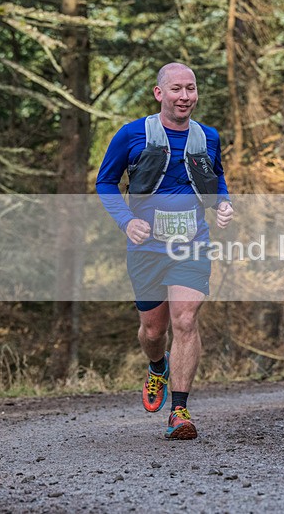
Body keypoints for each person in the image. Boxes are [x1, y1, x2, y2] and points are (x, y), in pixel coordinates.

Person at [96, 62, 234, 439]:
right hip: (147, 247)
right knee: (153, 330)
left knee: (185, 320)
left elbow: (216, 177)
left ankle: (180, 411)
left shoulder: (207, 136)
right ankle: (157, 366)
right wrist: (127, 221)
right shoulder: (132, 134)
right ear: (160, 93)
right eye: (176, 89)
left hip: (192, 242)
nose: (185, 96)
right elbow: (105, 182)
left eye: (190, 89)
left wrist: (223, 203)